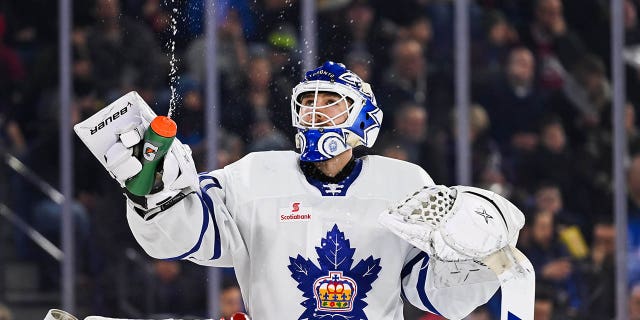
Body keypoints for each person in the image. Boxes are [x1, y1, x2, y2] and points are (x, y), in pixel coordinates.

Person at [85, 62, 530, 319]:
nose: (315, 112)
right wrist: (154, 195)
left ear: (363, 119)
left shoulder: (406, 183)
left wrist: (476, 262)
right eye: (307, 102)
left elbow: (432, 295)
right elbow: (186, 240)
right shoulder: (254, 174)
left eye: (329, 102)